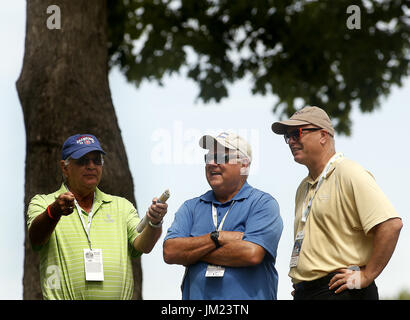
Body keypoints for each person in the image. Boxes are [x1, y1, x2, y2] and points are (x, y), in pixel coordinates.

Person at [271, 106, 403, 300]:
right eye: (287, 136)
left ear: (323, 135)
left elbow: (391, 225)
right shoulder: (303, 187)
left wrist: (366, 276)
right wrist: (305, 285)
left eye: (296, 133)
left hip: (342, 290)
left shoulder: (349, 172)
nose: (291, 141)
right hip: (310, 292)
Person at [27, 134, 167, 300]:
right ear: (65, 167)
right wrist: (55, 211)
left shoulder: (121, 206)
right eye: (83, 160)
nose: (91, 166)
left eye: (97, 160)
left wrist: (154, 222)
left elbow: (143, 245)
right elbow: (36, 238)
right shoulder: (43, 202)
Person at [163, 132, 283, 300]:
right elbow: (170, 251)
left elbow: (252, 253)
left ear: (244, 165)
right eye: (209, 157)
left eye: (221, 157)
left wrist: (192, 254)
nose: (212, 163)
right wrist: (217, 237)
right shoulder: (191, 207)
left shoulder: (262, 203)